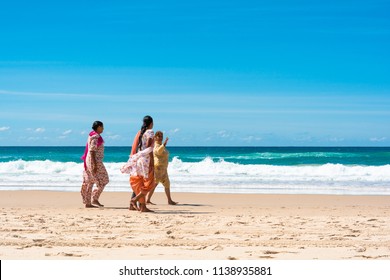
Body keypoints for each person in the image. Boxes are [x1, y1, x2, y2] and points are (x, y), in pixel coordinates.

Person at [121, 116, 155, 212]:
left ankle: (143, 206)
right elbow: (149, 148)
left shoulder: (141, 132)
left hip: (139, 159)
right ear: (151, 123)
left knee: (140, 183)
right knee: (150, 183)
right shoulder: (150, 132)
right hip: (146, 160)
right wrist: (152, 161)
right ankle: (134, 200)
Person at [80, 121, 109, 208]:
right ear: (98, 127)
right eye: (102, 127)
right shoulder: (95, 136)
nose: (103, 128)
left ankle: (88, 202)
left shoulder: (91, 135)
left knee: (90, 181)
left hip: (90, 160)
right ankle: (94, 198)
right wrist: (94, 164)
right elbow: (92, 150)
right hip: (95, 161)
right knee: (104, 180)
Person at [146, 131, 177, 205]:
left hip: (163, 169)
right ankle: (147, 199)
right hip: (158, 168)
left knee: (167, 184)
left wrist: (163, 145)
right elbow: (158, 151)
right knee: (155, 184)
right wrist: (164, 144)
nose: (160, 138)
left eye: (161, 137)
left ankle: (169, 200)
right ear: (155, 137)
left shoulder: (160, 145)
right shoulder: (156, 146)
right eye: (158, 136)